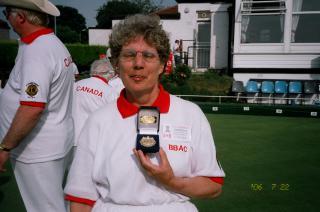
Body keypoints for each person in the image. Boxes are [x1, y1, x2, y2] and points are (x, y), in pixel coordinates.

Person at [64, 14, 225, 212]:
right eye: (129, 55)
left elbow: (213, 185)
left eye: (148, 56)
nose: (138, 63)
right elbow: (81, 197)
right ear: (116, 64)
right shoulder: (98, 120)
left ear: (162, 64)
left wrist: (171, 181)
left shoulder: (191, 114)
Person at [0, 0, 76, 211]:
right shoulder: (51, 43)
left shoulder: (36, 50)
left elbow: (32, 108)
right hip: (52, 142)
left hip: (36, 150)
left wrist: (5, 147)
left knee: (45, 208)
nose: (6, 17)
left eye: (7, 12)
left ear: (21, 17)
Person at [72, 58, 123, 146]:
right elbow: (115, 118)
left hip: (70, 137)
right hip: (91, 139)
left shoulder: (76, 85)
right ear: (110, 73)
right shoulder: (109, 92)